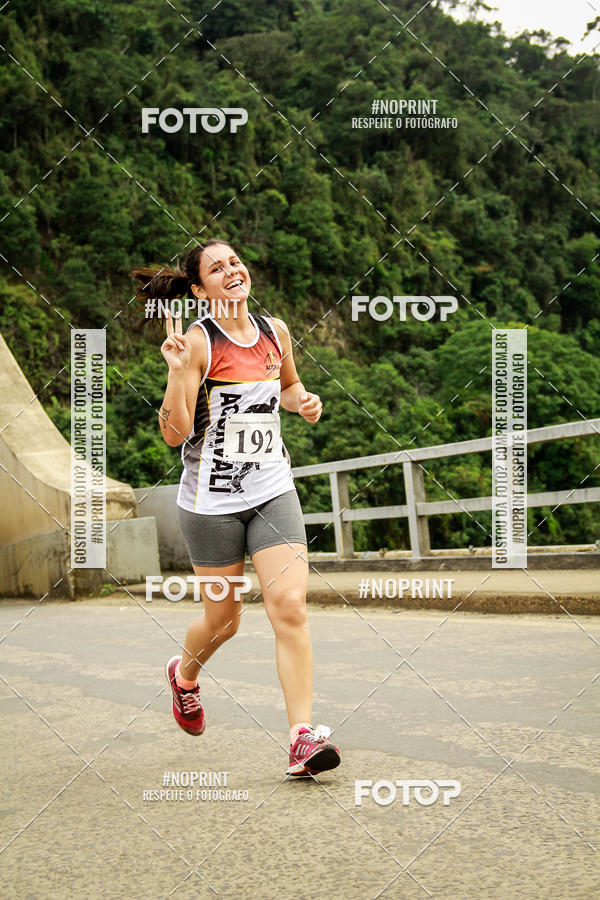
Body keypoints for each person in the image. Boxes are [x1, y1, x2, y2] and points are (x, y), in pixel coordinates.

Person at [132, 240, 341, 776]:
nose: (231, 271)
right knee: (223, 622)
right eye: (216, 268)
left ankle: (301, 738)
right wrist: (177, 373)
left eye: (235, 262)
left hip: (272, 489)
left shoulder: (276, 333)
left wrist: (303, 402)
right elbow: (174, 433)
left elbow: (288, 388)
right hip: (211, 503)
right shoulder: (198, 342)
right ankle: (184, 677)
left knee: (289, 606)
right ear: (200, 290)